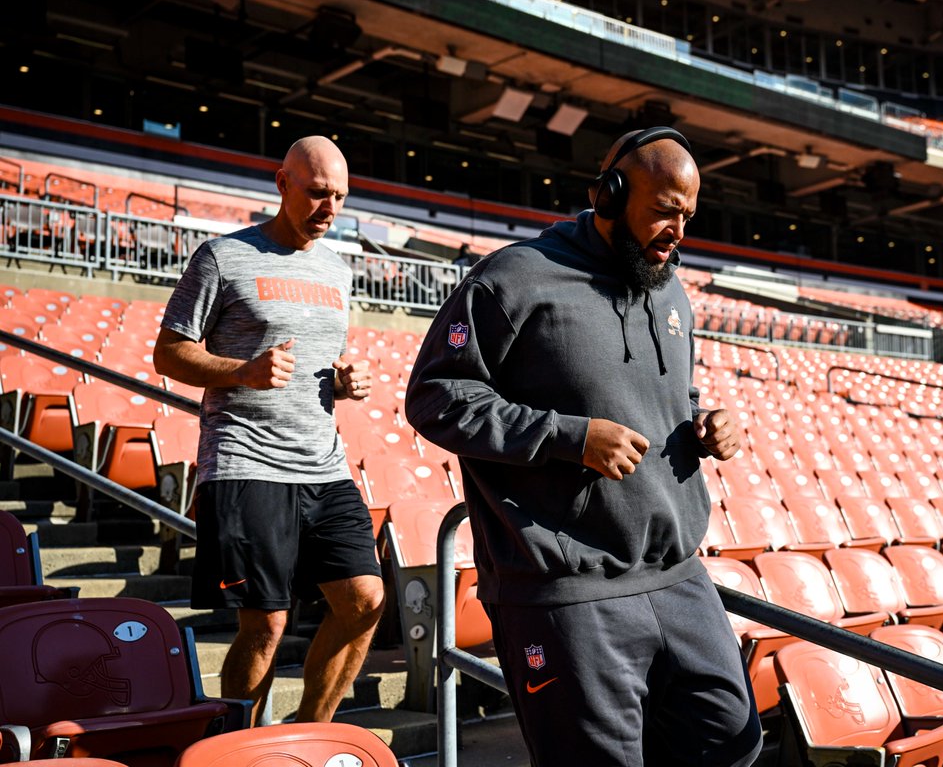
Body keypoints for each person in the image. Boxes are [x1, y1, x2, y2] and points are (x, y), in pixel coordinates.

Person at [405, 127, 762, 766]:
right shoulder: (513, 279)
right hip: (565, 589)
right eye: (664, 211)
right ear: (609, 194)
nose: (679, 232)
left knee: (732, 745)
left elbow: (665, 395)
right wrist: (570, 437)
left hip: (677, 576)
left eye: (688, 215)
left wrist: (704, 421)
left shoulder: (668, 284)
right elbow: (437, 398)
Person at [153, 136, 385, 725]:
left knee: (364, 602)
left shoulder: (336, 267)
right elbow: (169, 353)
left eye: (340, 197)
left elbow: (311, 366)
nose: (329, 208)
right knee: (266, 624)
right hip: (244, 460)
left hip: (323, 463)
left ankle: (306, 736)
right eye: (317, 193)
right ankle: (238, 747)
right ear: (282, 184)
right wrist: (244, 372)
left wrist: (342, 382)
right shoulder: (223, 257)